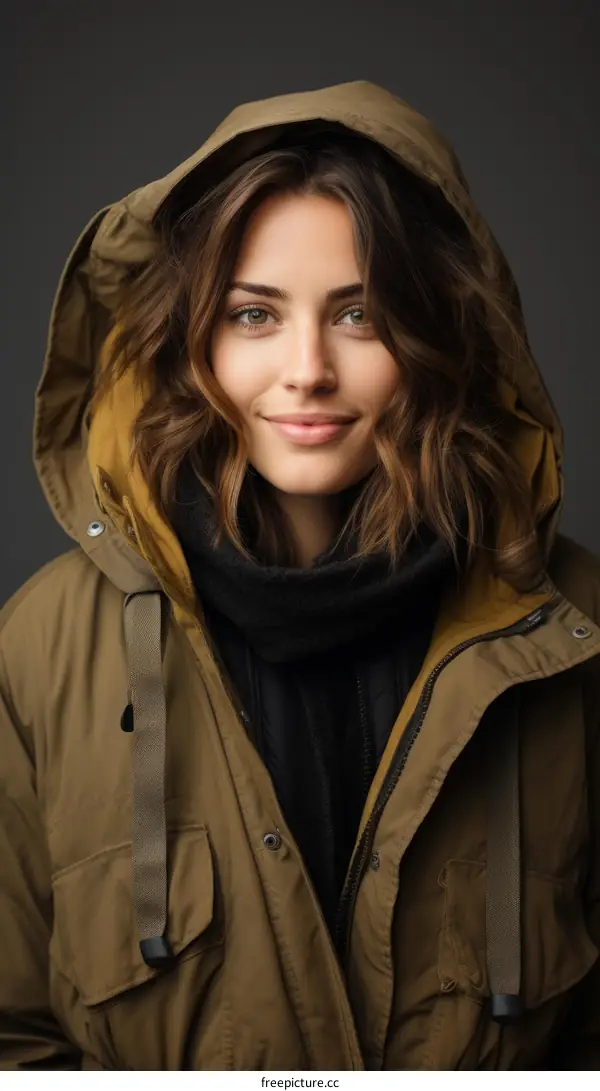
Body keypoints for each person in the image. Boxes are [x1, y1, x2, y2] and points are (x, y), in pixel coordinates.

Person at [0, 79, 599, 1073]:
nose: (309, 368)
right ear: (188, 340)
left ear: (440, 333)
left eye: (360, 313)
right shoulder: (41, 646)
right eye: (254, 315)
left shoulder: (573, 628)